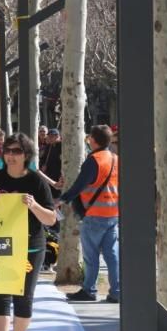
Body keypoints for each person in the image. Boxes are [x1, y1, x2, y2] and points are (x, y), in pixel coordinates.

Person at [0, 133, 58, 331]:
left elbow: (51, 219)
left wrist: (33, 205)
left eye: (17, 151)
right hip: (2, 246)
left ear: (26, 155)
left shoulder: (36, 181)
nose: (11, 156)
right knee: (0, 296)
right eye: (8, 151)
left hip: (31, 247)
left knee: (24, 297)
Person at [60, 125, 122, 303]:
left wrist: (62, 199)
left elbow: (80, 185)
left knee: (91, 255)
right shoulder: (115, 159)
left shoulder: (94, 160)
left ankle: (89, 290)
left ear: (93, 140)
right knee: (112, 254)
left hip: (94, 214)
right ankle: (116, 291)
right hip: (113, 213)